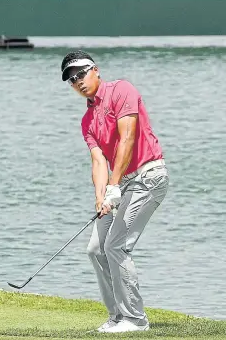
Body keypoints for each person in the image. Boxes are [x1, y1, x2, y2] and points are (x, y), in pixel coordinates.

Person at [60, 50, 169, 333]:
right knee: (96, 249)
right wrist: (101, 196)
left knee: (115, 245)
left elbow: (128, 138)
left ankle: (135, 319)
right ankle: (118, 317)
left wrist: (113, 185)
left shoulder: (122, 90)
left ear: (95, 69)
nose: (78, 81)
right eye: (71, 80)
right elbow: (98, 161)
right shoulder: (87, 121)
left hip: (148, 177)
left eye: (81, 73)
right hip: (120, 185)